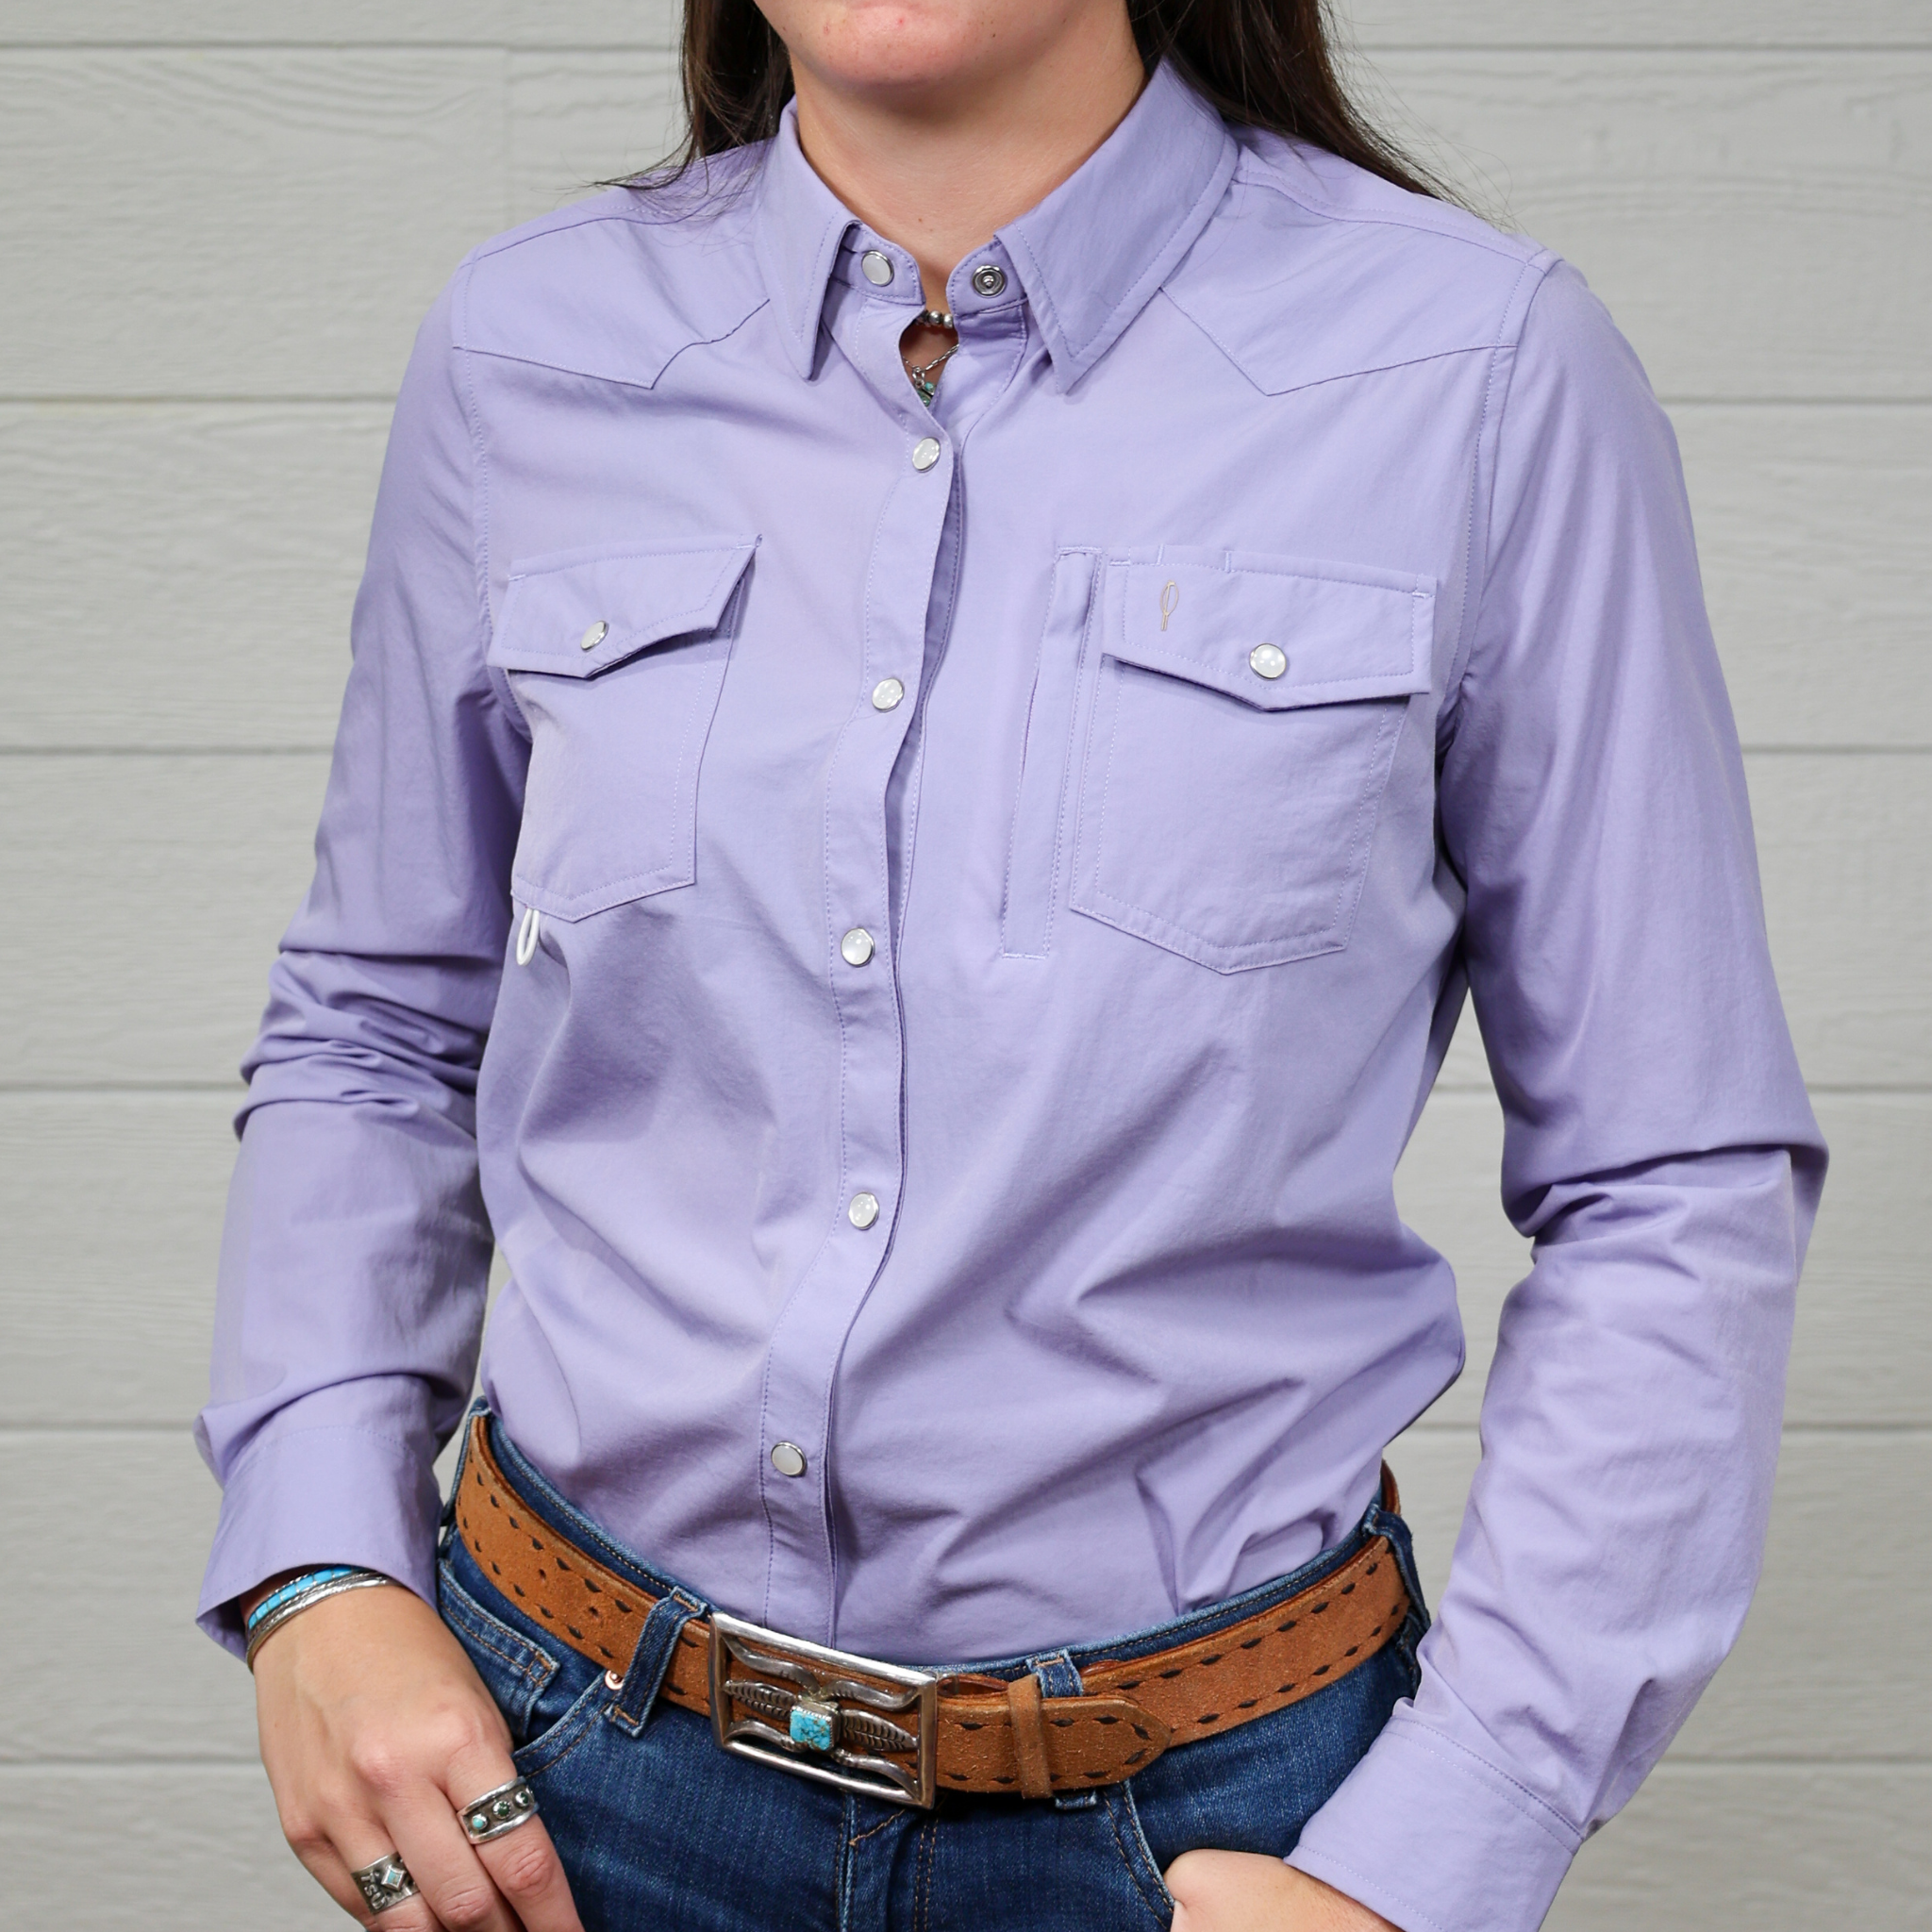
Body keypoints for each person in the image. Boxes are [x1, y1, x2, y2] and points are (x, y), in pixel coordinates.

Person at [194, 1, 1826, 1927]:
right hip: (565, 1790)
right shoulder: (523, 345)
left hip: (1216, 1826)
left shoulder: (1481, 369)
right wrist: (321, 1565)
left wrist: (1450, 1838)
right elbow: (381, 1027)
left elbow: (1671, 1170)